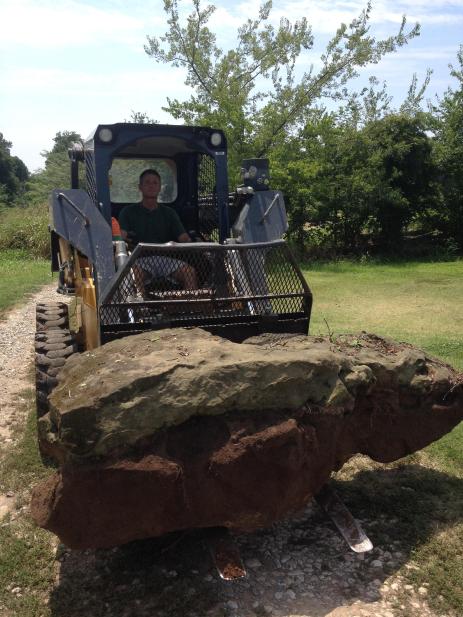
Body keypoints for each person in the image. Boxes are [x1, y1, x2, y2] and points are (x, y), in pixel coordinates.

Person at [119, 169, 198, 291]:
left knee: (189, 272)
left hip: (166, 259)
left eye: (155, 183)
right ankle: (140, 308)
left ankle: (191, 306)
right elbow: (121, 238)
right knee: (135, 274)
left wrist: (197, 245)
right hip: (139, 260)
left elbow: (184, 238)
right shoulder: (128, 212)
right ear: (140, 187)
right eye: (147, 182)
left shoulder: (169, 213)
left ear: (160, 187)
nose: (151, 185)